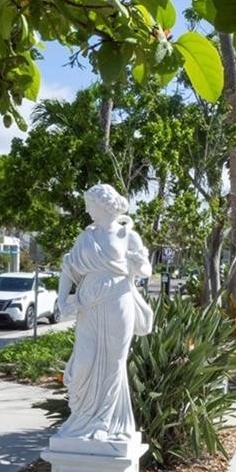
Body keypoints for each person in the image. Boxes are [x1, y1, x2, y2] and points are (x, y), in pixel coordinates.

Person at [54, 184, 155, 443]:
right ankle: (81, 419)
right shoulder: (85, 238)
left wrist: (139, 263)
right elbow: (68, 269)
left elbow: (145, 271)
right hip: (89, 305)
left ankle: (104, 423)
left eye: (91, 205)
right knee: (84, 361)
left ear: (104, 205)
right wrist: (62, 300)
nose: (88, 210)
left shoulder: (128, 236)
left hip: (118, 303)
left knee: (113, 363)